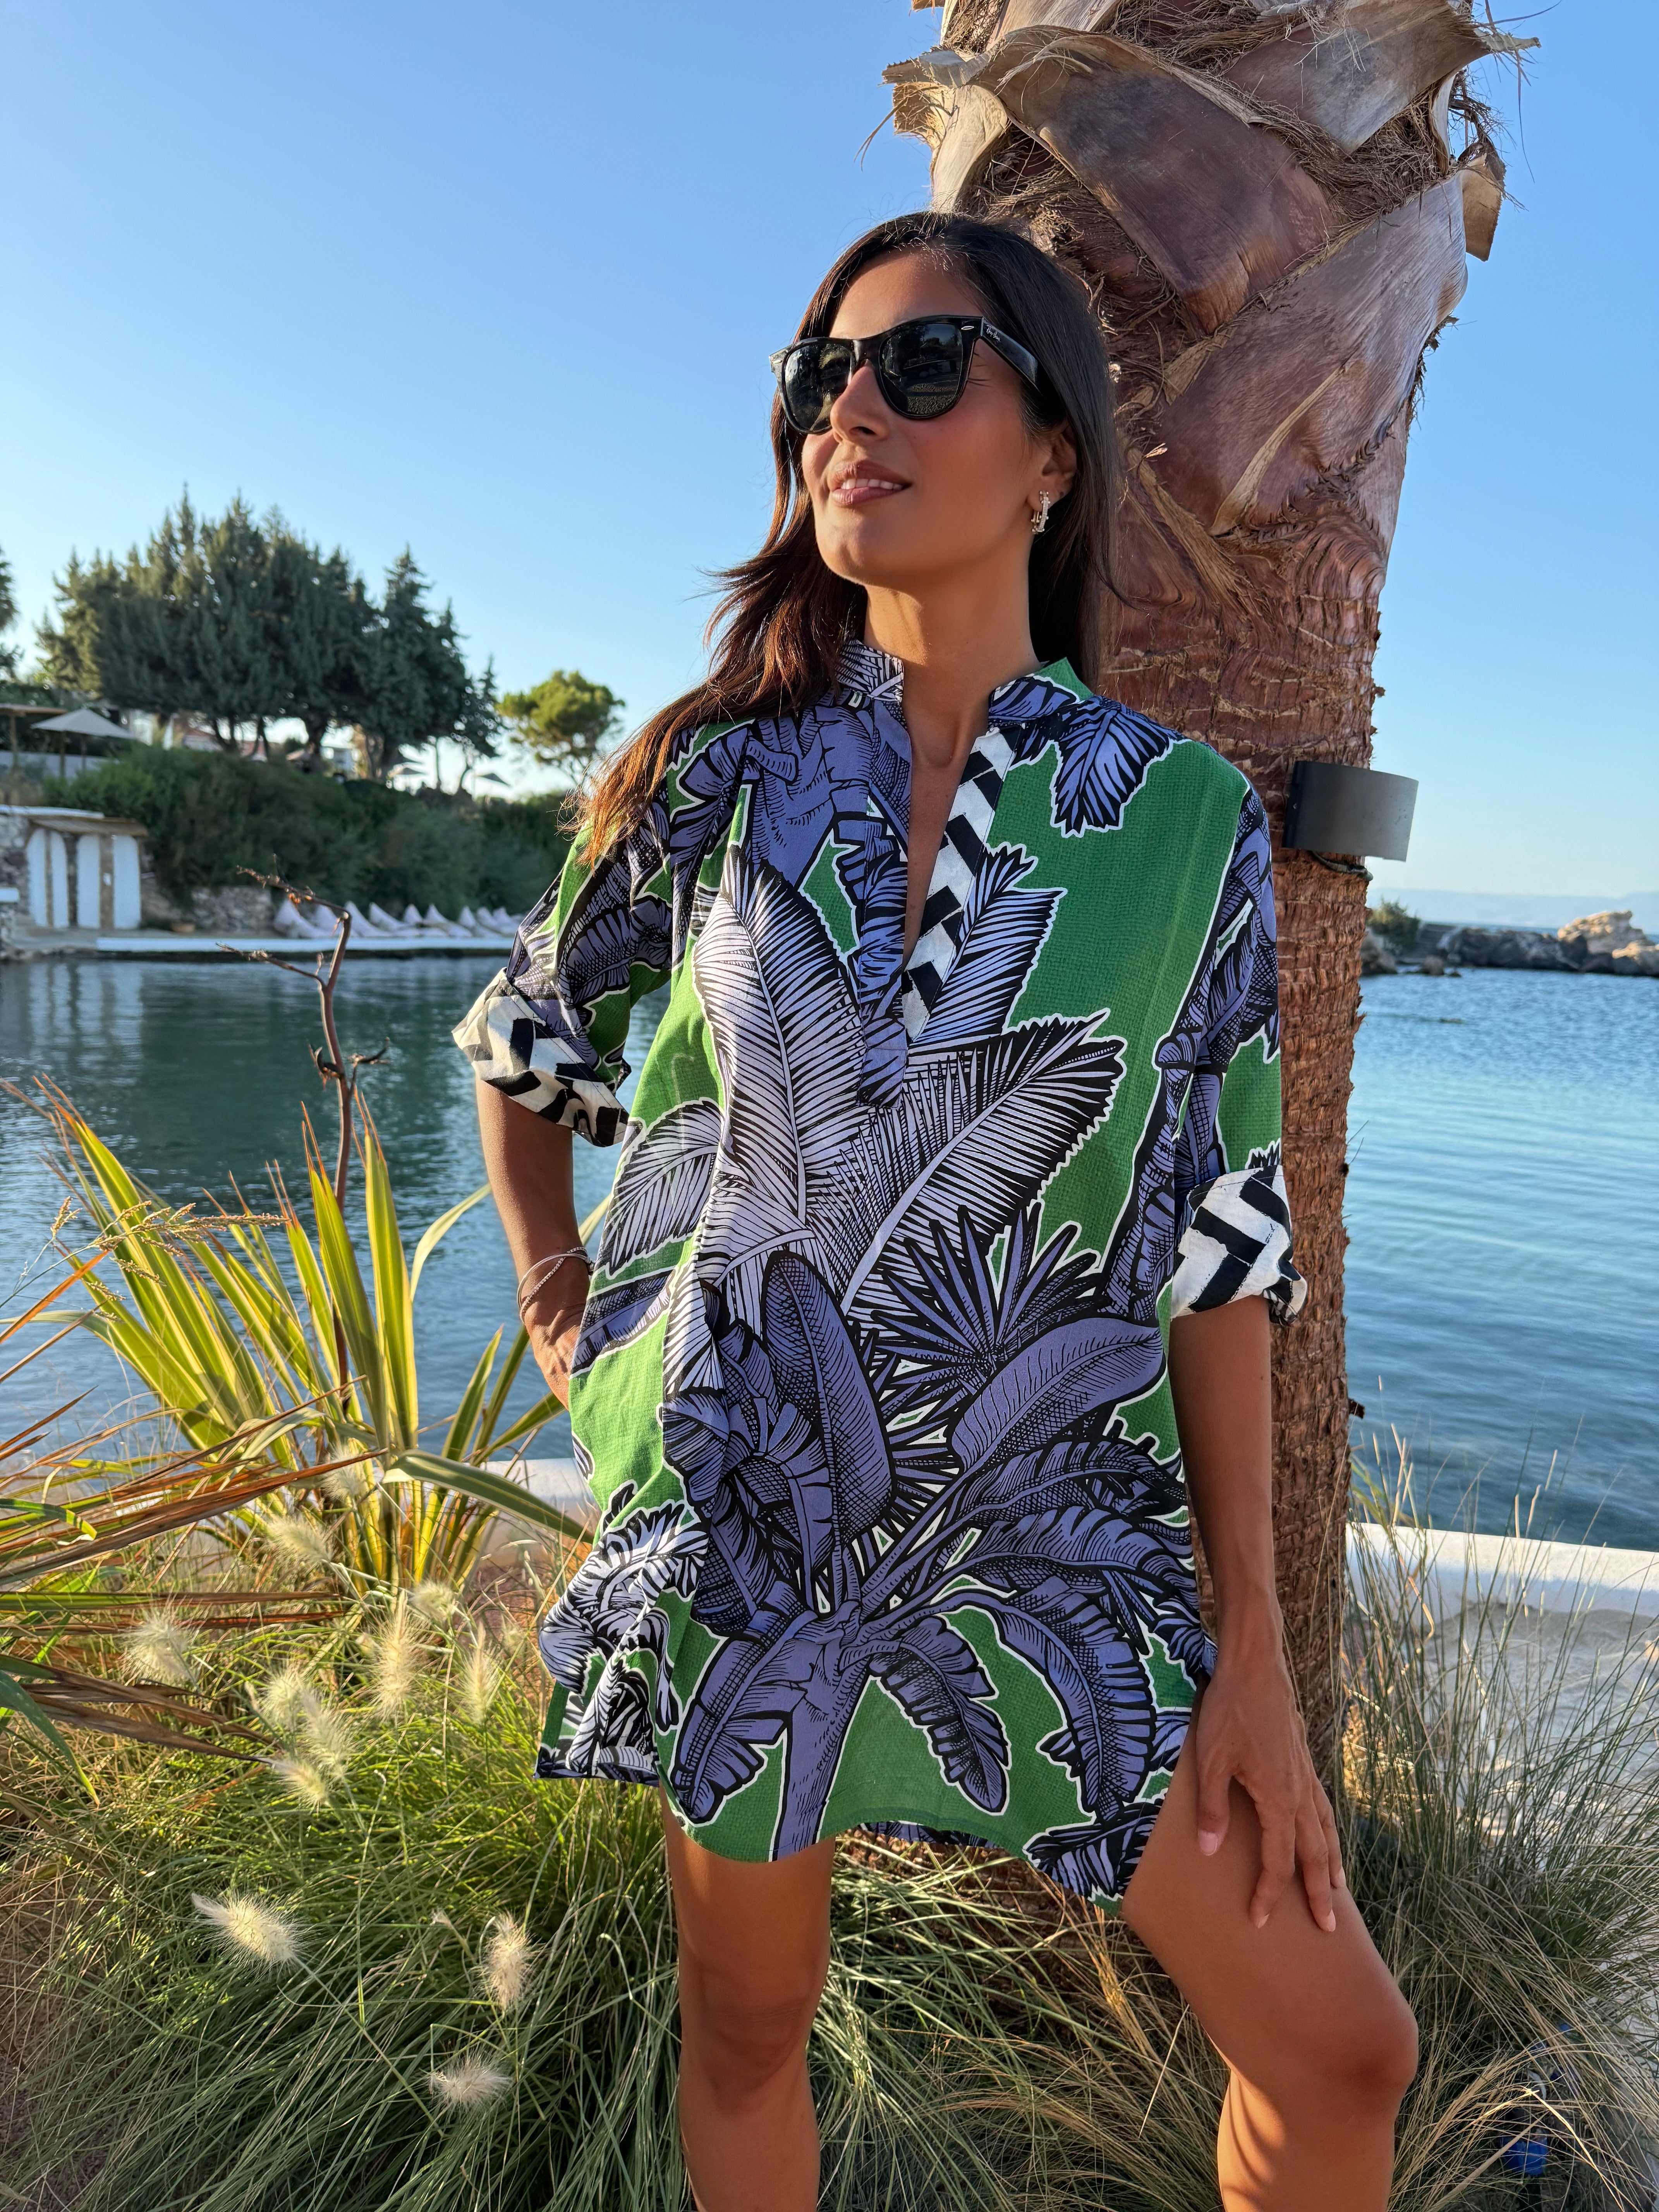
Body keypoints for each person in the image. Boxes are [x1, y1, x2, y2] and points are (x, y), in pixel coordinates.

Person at [457, 211, 1417, 2212]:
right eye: (821, 380)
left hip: (1050, 1541)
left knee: (1342, 2051)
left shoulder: (1179, 819)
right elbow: (526, 1044)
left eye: (916, 368)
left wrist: (1251, 1641)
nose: (849, 417)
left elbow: (1219, 1241)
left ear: (1053, 453)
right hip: (745, 1519)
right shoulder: (715, 782)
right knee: (748, 2031)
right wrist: (568, 1314)